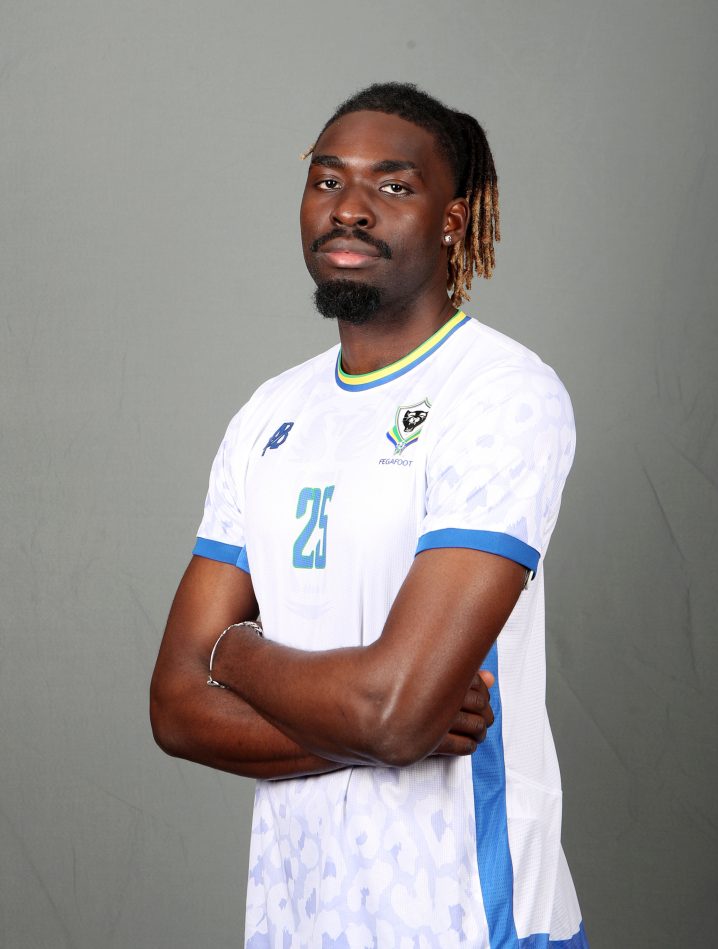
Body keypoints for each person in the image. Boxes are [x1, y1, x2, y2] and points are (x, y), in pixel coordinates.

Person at [150, 82, 588, 949]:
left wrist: (235, 653)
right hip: (299, 922)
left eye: (393, 185)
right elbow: (174, 704)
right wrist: (389, 726)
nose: (349, 208)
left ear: (454, 219)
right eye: (326, 181)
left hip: (469, 919)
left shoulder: (501, 393)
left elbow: (392, 708)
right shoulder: (267, 415)